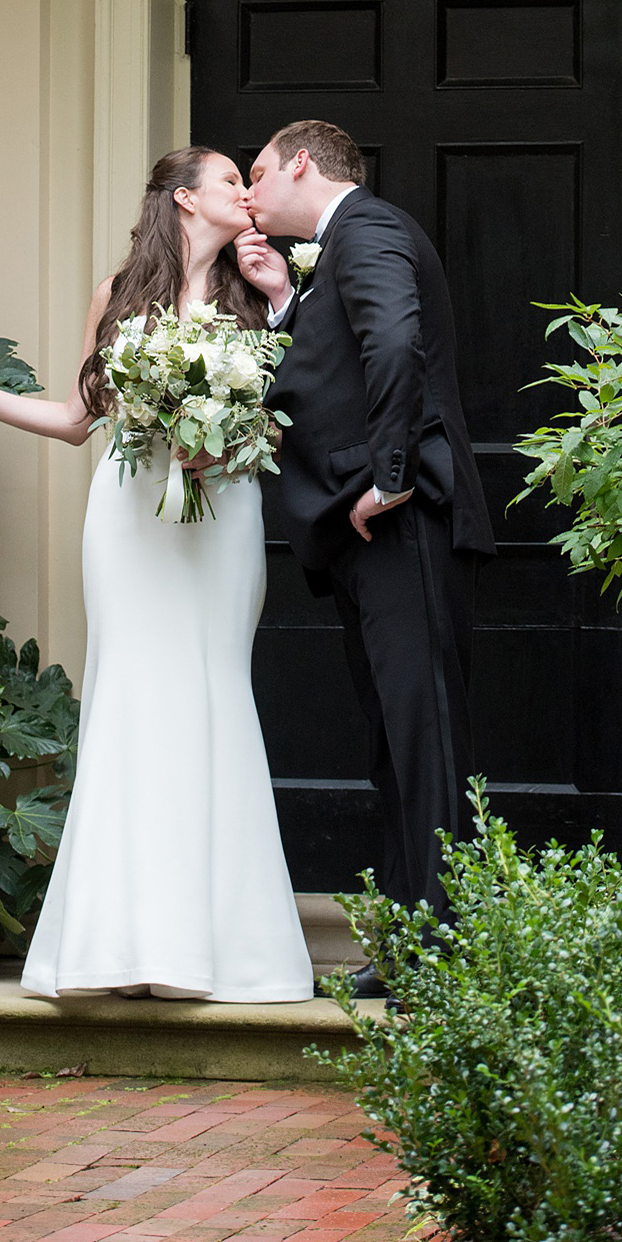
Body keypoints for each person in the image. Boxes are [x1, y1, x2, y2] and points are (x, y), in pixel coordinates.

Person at [0, 146, 313, 1003]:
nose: (247, 194)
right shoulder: (119, 297)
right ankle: (118, 949)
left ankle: (217, 951)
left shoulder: (260, 297)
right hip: (129, 519)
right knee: (131, 705)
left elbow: (298, 418)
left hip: (221, 518)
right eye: (230, 181)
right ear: (185, 200)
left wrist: (222, 436)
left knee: (213, 698)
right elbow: (79, 420)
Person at [236, 120, 495, 977]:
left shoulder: (370, 228)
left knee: (424, 735)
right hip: (368, 535)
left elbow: (396, 342)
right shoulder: (333, 250)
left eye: (259, 172)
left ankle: (444, 951)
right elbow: (334, 370)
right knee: (394, 734)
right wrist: (283, 307)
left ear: (302, 163)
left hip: (400, 522)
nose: (249, 190)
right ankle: (416, 945)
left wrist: (390, 477)